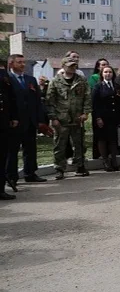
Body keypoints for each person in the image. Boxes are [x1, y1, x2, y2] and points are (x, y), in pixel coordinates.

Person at [6, 54, 48, 189]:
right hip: (15, 121)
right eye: (19, 62)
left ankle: (30, 173)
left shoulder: (31, 80)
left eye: (24, 62)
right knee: (12, 150)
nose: (23, 65)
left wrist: (40, 120)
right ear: (11, 64)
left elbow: (37, 101)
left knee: (30, 149)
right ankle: (11, 176)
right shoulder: (7, 79)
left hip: (30, 121)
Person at [46, 58, 92, 180]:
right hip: (61, 119)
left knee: (79, 144)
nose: (73, 68)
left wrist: (86, 113)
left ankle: (80, 166)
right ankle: (59, 169)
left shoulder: (81, 80)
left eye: (74, 66)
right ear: (63, 66)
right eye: (70, 65)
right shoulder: (55, 81)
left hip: (77, 118)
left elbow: (87, 97)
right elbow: (50, 101)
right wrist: (53, 118)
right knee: (59, 145)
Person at [92, 67, 120, 171]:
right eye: (105, 72)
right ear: (102, 74)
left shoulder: (117, 86)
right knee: (102, 139)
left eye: (110, 72)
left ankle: (114, 160)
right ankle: (105, 161)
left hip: (114, 118)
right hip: (102, 118)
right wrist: (98, 118)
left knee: (113, 139)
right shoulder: (98, 86)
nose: (108, 74)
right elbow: (95, 104)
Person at [1, 66, 19, 199]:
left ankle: (0, 189)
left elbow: (11, 98)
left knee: (2, 156)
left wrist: (14, 117)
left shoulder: (3, 74)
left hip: (3, 122)